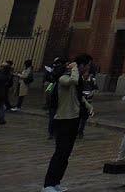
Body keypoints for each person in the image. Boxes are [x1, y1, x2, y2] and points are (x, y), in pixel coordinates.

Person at [42, 53, 94, 192]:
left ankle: (56, 182)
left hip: (74, 119)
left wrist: (89, 106)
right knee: (60, 153)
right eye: (87, 65)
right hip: (64, 119)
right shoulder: (64, 78)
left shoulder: (76, 80)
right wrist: (75, 67)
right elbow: (74, 81)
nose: (88, 68)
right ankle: (48, 185)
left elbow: (78, 96)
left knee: (66, 154)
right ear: (81, 65)